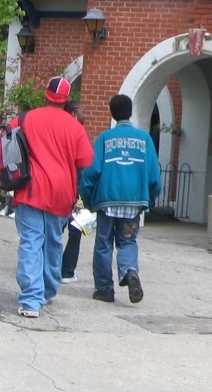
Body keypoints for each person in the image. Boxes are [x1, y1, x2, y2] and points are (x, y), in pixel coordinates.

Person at [10, 77, 92, 318]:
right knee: (53, 241)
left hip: (30, 189)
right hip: (61, 191)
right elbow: (85, 160)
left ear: (45, 94)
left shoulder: (25, 119)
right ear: (66, 99)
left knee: (31, 241)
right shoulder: (75, 126)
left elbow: (3, 144)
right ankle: (46, 289)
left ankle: (31, 299)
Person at [79, 94, 162, 305]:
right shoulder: (144, 139)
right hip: (133, 204)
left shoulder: (105, 138)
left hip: (107, 202)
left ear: (112, 113)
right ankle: (130, 271)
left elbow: (91, 173)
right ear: (130, 112)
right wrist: (148, 200)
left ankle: (104, 289)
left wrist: (88, 199)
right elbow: (154, 176)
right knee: (128, 241)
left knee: (104, 244)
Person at [60, 100, 86, 284]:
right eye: (83, 112)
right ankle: (67, 271)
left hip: (58, 187)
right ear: (75, 114)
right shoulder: (78, 133)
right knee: (75, 231)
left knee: (54, 230)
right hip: (74, 189)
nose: (85, 115)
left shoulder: (58, 131)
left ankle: (49, 266)